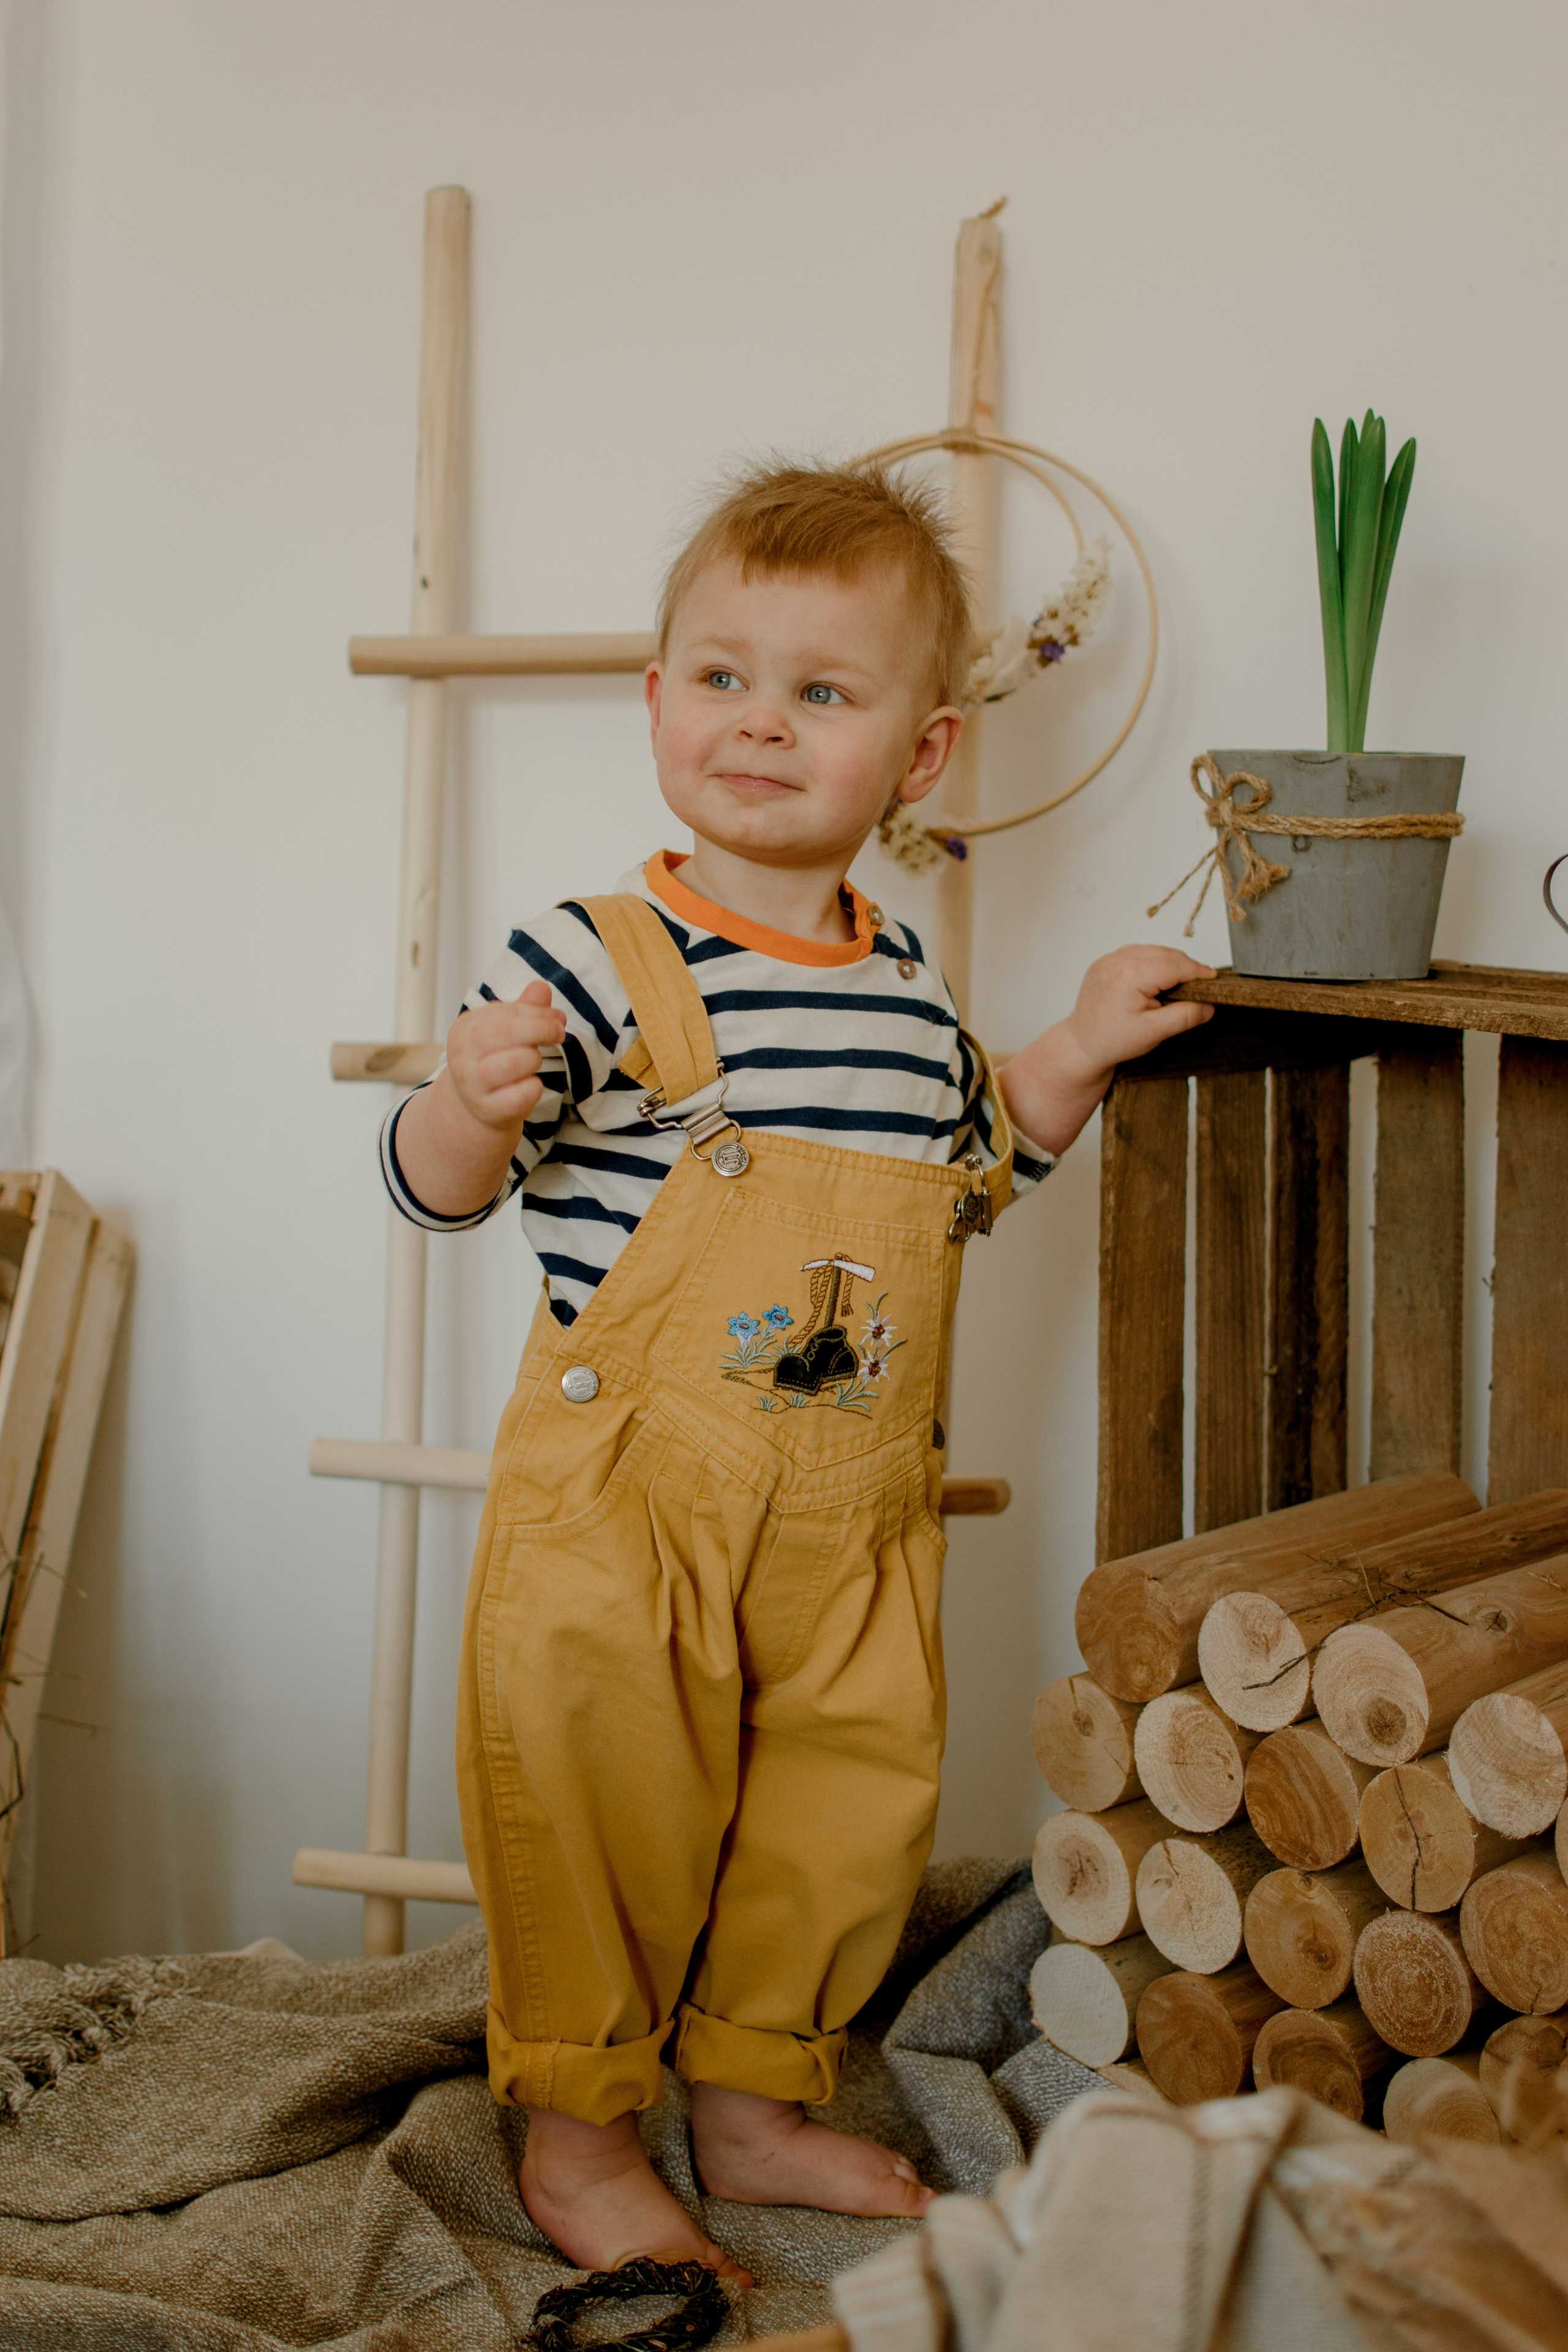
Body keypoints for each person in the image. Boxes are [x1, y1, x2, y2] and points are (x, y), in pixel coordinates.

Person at [384, 459, 1214, 2278]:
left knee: (838, 1822)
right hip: (628, 1525)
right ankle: (584, 2134)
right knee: (602, 1812)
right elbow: (434, 1194)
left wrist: (1073, 1042)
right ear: (657, 699)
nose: (761, 723)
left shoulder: (906, 984)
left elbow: (976, 1173)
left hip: (851, 1522)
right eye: (722, 677)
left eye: (822, 694)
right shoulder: (592, 959)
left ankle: (757, 2101)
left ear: (917, 759)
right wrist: (462, 1102)